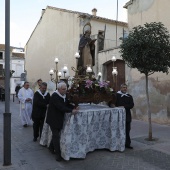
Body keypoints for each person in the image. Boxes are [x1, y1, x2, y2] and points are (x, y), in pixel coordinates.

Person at [46, 82, 79, 161]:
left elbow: (66, 104)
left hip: (59, 118)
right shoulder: (54, 96)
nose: (65, 91)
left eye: (65, 89)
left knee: (56, 135)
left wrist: (74, 107)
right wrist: (71, 110)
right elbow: (60, 107)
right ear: (59, 89)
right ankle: (58, 154)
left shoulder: (64, 95)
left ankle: (51, 147)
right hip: (53, 119)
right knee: (56, 136)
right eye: (63, 89)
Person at [115, 83, 134, 149]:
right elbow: (113, 103)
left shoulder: (129, 96)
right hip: (118, 116)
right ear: (121, 88)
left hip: (127, 116)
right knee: (118, 130)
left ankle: (127, 144)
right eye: (123, 87)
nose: (125, 88)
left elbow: (131, 105)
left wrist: (124, 106)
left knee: (127, 130)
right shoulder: (117, 95)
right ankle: (118, 143)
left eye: (125, 87)